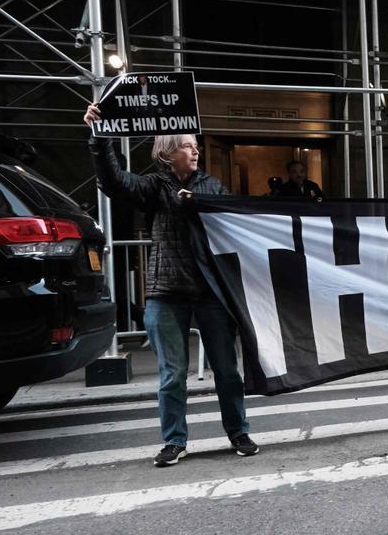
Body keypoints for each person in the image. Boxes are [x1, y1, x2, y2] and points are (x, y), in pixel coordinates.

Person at [83, 103, 259, 466]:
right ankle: (174, 441)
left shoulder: (211, 185)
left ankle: (238, 431)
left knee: (227, 369)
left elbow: (232, 222)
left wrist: (200, 205)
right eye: (188, 146)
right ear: (167, 152)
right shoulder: (152, 186)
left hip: (210, 293)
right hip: (166, 293)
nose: (196, 150)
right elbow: (115, 181)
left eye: (196, 146)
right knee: (172, 374)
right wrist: (100, 139)